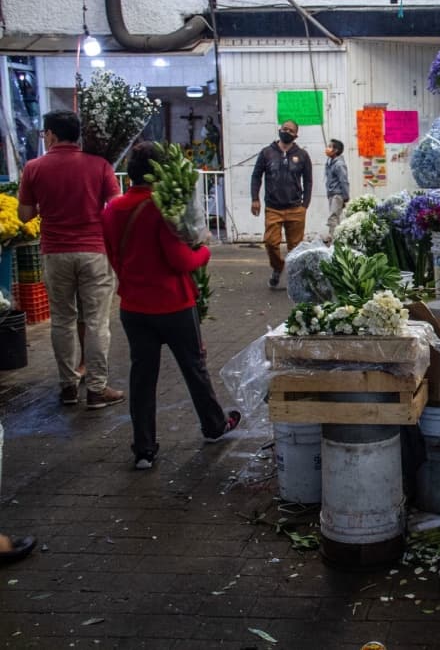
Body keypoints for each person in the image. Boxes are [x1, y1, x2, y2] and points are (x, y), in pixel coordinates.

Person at [102, 142, 241, 470]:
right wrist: (204, 252)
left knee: (142, 376)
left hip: (133, 307)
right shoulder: (161, 208)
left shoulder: (112, 209)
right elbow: (181, 261)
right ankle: (214, 425)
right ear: (161, 173)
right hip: (173, 305)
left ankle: (144, 449)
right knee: (194, 367)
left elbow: (113, 257)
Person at [17, 109, 125, 409]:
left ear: (51, 134)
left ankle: (67, 387)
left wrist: (46, 204)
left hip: (55, 253)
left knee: (62, 321)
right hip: (94, 251)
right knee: (96, 322)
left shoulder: (34, 167)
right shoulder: (100, 165)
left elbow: (24, 215)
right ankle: (96, 389)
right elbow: (115, 208)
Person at [250, 120, 312, 289]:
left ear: (296, 135)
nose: (286, 131)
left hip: (295, 208)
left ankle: (295, 279)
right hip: (273, 208)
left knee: (295, 248)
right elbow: (256, 176)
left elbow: (308, 181)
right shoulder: (266, 153)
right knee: (270, 242)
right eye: (284, 128)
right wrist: (255, 199)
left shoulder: (303, 155)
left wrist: (304, 205)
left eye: (290, 130)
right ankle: (278, 268)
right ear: (279, 130)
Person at [324, 138, 350, 240]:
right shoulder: (330, 162)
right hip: (331, 193)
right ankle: (337, 239)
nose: (327, 149)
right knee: (336, 217)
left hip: (337, 194)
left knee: (333, 217)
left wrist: (345, 196)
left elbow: (344, 180)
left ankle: (334, 240)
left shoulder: (339, 164)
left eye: (330, 147)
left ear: (336, 150)